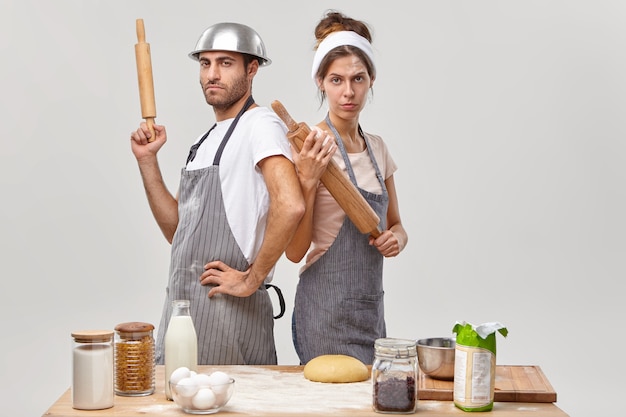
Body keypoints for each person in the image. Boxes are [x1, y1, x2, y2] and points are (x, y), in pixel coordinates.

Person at [130, 22, 304, 365]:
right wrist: (148, 162)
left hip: (229, 317)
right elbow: (176, 231)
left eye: (225, 63)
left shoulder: (262, 125)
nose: (212, 73)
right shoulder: (203, 141)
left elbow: (291, 204)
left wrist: (253, 278)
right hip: (183, 312)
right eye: (205, 63)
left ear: (251, 69)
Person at [286, 11, 408, 365]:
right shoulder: (308, 144)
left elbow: (397, 224)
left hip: (369, 312)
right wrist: (308, 179)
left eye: (358, 78)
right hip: (324, 311)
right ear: (321, 82)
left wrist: (395, 240)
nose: (348, 92)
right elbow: (295, 251)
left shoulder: (378, 148)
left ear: (372, 80)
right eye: (336, 80)